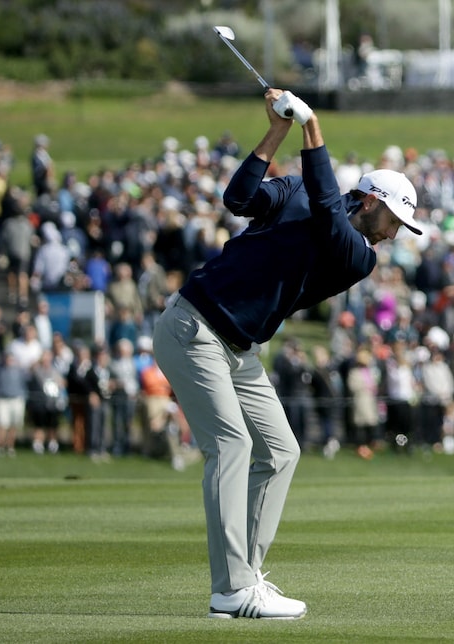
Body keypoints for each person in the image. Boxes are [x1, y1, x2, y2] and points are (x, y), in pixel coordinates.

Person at [152, 87, 421, 619]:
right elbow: (238, 200)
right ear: (370, 201)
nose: (394, 235)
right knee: (230, 445)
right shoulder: (299, 189)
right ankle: (231, 588)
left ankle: (247, 576)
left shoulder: (358, 257)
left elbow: (326, 213)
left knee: (281, 451)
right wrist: (281, 127)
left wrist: (311, 127)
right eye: (394, 220)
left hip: (240, 348)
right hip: (193, 326)